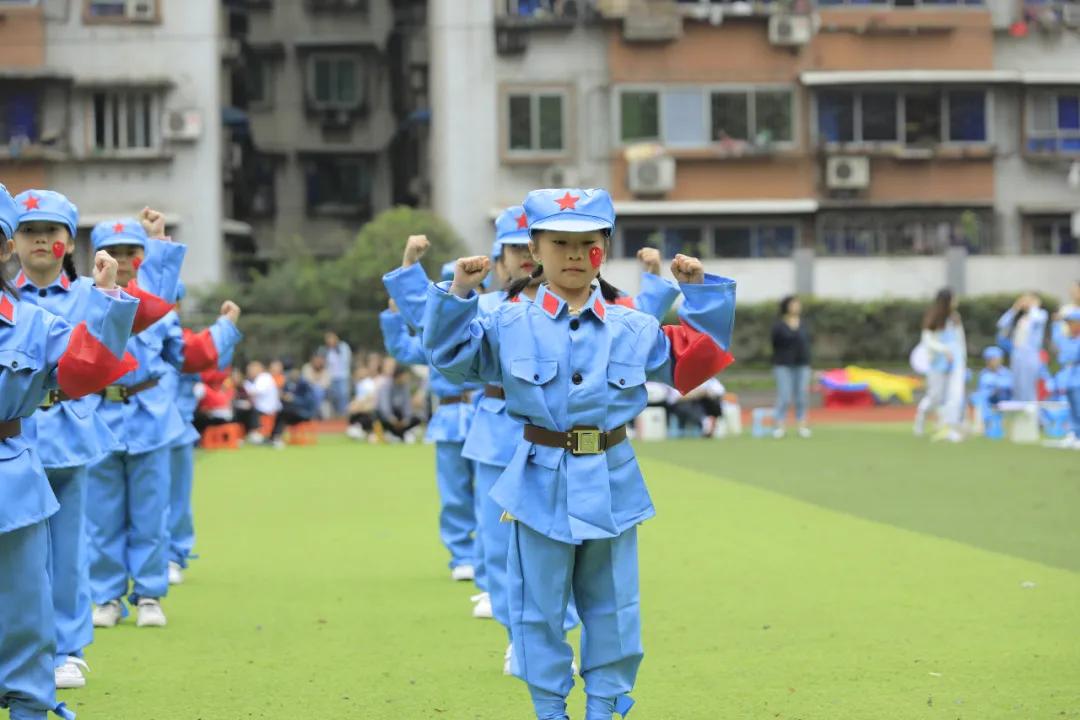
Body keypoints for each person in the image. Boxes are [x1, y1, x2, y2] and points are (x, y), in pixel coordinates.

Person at [422, 187, 735, 720]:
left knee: (614, 610)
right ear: (534, 252)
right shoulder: (505, 323)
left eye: (586, 244)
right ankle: (550, 711)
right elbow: (450, 361)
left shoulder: (631, 327)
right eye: (559, 243)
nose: (572, 255)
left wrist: (700, 293)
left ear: (603, 249)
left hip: (612, 481)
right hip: (537, 481)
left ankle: (606, 708)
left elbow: (694, 364)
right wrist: (456, 294)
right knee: (537, 611)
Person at [1, 181, 141, 720]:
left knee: (47, 564)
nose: (39, 242)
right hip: (29, 444)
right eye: (28, 231)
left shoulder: (44, 313)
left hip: (35, 446)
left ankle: (62, 652)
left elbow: (86, 367)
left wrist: (108, 295)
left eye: (49, 233)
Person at [85, 215, 241, 631]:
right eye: (111, 253)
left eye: (130, 253)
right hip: (100, 417)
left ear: (142, 258)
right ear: (94, 258)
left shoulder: (159, 312)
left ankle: (150, 594)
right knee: (102, 517)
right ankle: (106, 596)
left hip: (151, 418)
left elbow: (188, 356)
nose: (120, 261)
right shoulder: (84, 301)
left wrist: (224, 330)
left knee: (151, 515)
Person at [380, 281, 479, 581]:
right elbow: (401, 348)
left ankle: (493, 556)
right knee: (454, 492)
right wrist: (394, 316)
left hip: (487, 411)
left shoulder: (487, 322)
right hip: (449, 415)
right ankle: (463, 555)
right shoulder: (433, 335)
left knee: (493, 493)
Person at [914, 289, 967, 443]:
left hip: (956, 362)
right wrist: (944, 350)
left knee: (955, 395)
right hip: (938, 362)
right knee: (935, 397)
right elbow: (927, 341)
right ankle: (922, 417)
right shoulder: (933, 318)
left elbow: (960, 340)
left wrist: (962, 360)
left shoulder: (955, 318)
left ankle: (951, 429)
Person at [771, 294, 812, 439]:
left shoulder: (804, 324)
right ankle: (779, 425)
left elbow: (808, 341)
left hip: (802, 364)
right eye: (793, 304)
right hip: (783, 365)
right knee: (785, 396)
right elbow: (775, 344)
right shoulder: (779, 325)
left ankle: (802, 425)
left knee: (801, 395)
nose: (796, 307)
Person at [997, 293, 1048, 402]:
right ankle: (1019, 410)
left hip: (1030, 354)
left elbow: (1036, 318)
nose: (1026, 303)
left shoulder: (1040, 314)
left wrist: (1034, 306)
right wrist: (1015, 309)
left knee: (1029, 385)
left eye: (1028, 300)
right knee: (1017, 384)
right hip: (1017, 353)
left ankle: (1030, 411)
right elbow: (1001, 324)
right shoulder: (1020, 318)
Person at [268, 363, 319, 449]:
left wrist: (294, 399)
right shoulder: (288, 384)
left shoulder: (305, 385)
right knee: (281, 413)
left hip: (303, 413)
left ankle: (275, 437)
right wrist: (283, 396)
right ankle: (275, 438)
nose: (293, 374)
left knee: (283, 413)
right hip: (290, 413)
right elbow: (283, 397)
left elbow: (309, 402)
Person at [1049, 309, 1080, 447]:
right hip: (1066, 379)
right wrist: (1055, 323)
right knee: (1071, 408)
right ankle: (1073, 434)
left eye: (1072, 323)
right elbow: (1056, 338)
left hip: (1077, 376)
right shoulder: (1066, 339)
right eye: (1068, 323)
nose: (1069, 326)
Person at [375, 364, 422, 442]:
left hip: (400, 418)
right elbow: (384, 407)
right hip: (388, 418)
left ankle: (398, 435)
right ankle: (393, 434)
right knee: (378, 416)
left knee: (416, 419)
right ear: (399, 376)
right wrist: (392, 419)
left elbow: (407, 406)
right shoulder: (386, 386)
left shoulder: (405, 387)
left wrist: (405, 420)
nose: (406, 378)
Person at [243, 360, 281, 443]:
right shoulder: (257, 379)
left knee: (247, 410)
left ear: (259, 369)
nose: (249, 372)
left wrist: (244, 385)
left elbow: (255, 392)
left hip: (267, 409)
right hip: (263, 408)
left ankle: (254, 434)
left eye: (251, 370)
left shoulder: (264, 377)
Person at [320, 331, 353, 417]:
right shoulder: (327, 350)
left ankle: (344, 414)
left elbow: (346, 361)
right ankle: (336, 414)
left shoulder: (343, 347)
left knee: (343, 395)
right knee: (334, 396)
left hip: (343, 375)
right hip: (332, 377)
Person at [345, 363, 378, 441]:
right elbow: (358, 398)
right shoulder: (359, 384)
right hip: (360, 408)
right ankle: (360, 431)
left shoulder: (369, 383)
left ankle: (367, 432)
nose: (360, 373)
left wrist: (359, 405)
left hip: (367, 408)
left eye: (361, 371)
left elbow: (371, 397)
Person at [301, 353, 331, 418]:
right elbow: (306, 382)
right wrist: (316, 381)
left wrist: (315, 383)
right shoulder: (306, 368)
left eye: (319, 361)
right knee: (315, 391)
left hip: (322, 393)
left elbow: (326, 384)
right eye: (316, 361)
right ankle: (316, 411)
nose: (318, 363)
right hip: (308, 391)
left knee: (318, 391)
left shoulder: (326, 371)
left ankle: (315, 411)